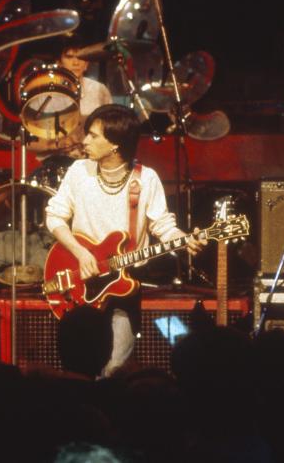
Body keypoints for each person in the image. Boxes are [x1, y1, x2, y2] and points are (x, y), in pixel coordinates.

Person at [45, 104, 204, 377]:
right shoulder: (78, 171)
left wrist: (183, 239)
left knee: (114, 370)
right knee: (81, 370)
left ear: (115, 145)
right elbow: (55, 218)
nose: (85, 141)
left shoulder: (146, 178)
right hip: (81, 280)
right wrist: (81, 253)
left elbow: (163, 225)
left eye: (93, 136)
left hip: (123, 285)